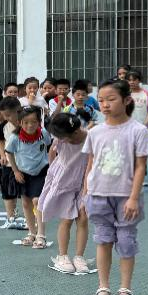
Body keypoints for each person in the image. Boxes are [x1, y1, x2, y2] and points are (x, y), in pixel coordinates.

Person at [82, 80, 148, 295]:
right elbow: (91, 164)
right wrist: (85, 193)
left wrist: (133, 197)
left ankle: (125, 289)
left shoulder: (138, 130)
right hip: (98, 194)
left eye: (111, 99)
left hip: (126, 195)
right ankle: (103, 287)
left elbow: (141, 166)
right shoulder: (95, 131)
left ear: (126, 100)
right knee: (103, 239)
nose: (105, 104)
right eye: (101, 100)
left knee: (126, 241)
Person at [40, 114, 90, 273]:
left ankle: (79, 256)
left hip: (84, 181)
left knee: (83, 217)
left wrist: (87, 189)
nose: (62, 140)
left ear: (75, 132)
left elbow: (92, 163)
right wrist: (53, 170)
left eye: (64, 138)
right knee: (67, 218)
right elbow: (52, 153)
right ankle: (62, 256)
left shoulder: (90, 138)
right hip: (65, 181)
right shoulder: (60, 139)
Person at [6, 107, 51, 248]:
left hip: (41, 171)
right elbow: (9, 153)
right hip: (23, 173)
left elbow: (50, 147)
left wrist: (52, 166)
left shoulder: (43, 134)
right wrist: (15, 171)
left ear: (39, 122)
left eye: (33, 122)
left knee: (38, 201)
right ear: (20, 123)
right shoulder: (15, 138)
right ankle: (32, 233)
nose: (30, 125)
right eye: (26, 122)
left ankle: (41, 235)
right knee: (26, 203)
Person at [0, 97, 26, 230]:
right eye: (4, 115)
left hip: (27, 165)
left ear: (18, 110)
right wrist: (2, 154)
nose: (6, 118)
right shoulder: (4, 125)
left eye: (8, 115)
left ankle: (30, 220)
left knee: (27, 194)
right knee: (7, 191)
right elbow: (0, 140)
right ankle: (11, 218)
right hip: (9, 164)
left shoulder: (29, 122)